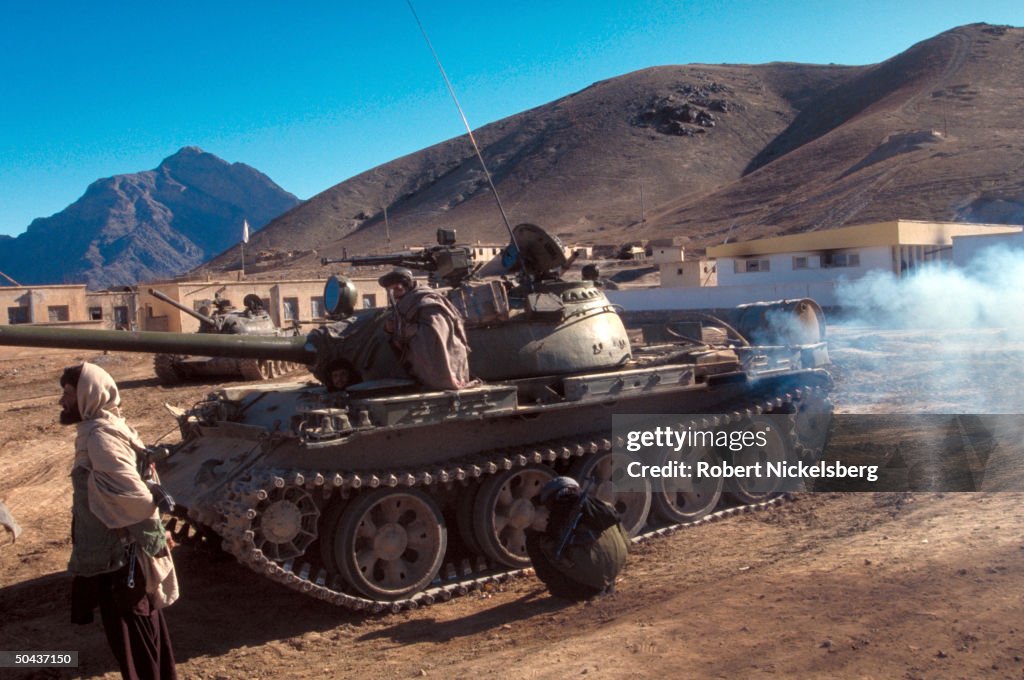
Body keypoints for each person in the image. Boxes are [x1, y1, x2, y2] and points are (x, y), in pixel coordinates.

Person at [60, 362, 178, 680]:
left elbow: (135, 498)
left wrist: (155, 540)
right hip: (114, 553)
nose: (63, 401)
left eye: (68, 394)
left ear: (88, 395)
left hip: (121, 558)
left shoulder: (100, 438)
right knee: (139, 632)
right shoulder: (100, 430)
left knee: (134, 637)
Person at [525, 476, 629, 601]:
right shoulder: (605, 507)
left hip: (582, 589)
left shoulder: (561, 516)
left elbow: (551, 555)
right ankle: (600, 579)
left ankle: (568, 587)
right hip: (611, 576)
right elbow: (626, 541)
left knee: (533, 540)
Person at [378, 267, 474, 390]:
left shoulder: (426, 302)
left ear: (400, 287)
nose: (392, 295)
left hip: (443, 361)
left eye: (393, 290)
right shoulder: (407, 301)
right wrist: (390, 328)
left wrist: (403, 330)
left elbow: (434, 334)